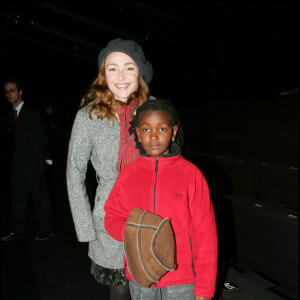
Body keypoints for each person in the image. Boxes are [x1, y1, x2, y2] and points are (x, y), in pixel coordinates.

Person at [104, 99, 218, 300]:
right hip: (141, 277)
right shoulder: (128, 175)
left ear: (173, 132)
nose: (154, 136)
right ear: (137, 133)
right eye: (146, 130)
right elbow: (111, 217)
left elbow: (206, 234)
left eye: (162, 129)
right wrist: (136, 234)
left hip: (182, 280)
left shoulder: (191, 175)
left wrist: (205, 287)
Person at [66, 38, 153, 300]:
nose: (121, 76)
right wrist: (86, 227)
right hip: (110, 215)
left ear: (140, 73)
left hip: (154, 211)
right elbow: (74, 173)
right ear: (103, 74)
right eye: (112, 68)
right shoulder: (88, 116)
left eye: (129, 67)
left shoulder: (156, 111)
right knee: (119, 288)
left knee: (152, 285)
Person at [1, 79, 54, 242]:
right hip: (18, 165)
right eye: (7, 91)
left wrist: (44, 160)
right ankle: (17, 231)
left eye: (12, 90)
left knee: (40, 199)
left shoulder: (30, 114)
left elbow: (42, 139)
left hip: (34, 165)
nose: (9, 94)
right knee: (18, 199)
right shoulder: (12, 114)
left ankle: (47, 230)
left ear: (20, 92)